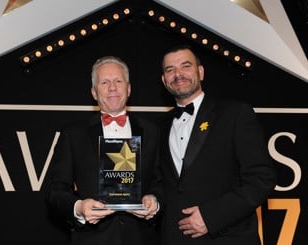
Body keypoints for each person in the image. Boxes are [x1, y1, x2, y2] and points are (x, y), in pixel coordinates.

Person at [158, 45, 276, 245]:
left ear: (201, 72)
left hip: (226, 238)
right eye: (170, 70)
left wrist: (211, 216)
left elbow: (261, 179)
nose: (178, 74)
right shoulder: (159, 126)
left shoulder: (235, 114)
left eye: (186, 66)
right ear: (164, 80)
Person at [45, 56, 162, 245]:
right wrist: (79, 207)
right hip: (92, 239)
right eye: (104, 82)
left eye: (118, 81)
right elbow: (55, 190)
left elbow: (161, 181)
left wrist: (154, 200)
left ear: (129, 88)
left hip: (140, 238)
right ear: (94, 92)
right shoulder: (74, 134)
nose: (112, 88)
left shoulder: (151, 131)